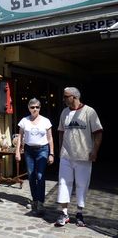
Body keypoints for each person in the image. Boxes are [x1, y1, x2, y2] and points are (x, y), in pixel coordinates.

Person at [55, 87, 103, 227]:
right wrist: (60, 149)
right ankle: (64, 213)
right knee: (64, 183)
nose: (63, 99)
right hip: (66, 155)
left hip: (84, 156)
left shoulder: (89, 112)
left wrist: (95, 151)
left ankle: (79, 213)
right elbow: (61, 132)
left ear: (74, 97)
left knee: (82, 185)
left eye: (65, 96)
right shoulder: (64, 112)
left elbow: (98, 132)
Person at [15, 98, 54, 216]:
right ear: (29, 108)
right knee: (31, 175)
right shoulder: (24, 121)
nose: (35, 109)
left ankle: (41, 202)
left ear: (40, 108)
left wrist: (51, 153)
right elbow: (20, 137)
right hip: (29, 151)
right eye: (32, 107)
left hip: (42, 149)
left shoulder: (46, 121)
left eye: (37, 107)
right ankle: (35, 200)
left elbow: (50, 138)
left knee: (40, 175)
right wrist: (17, 151)